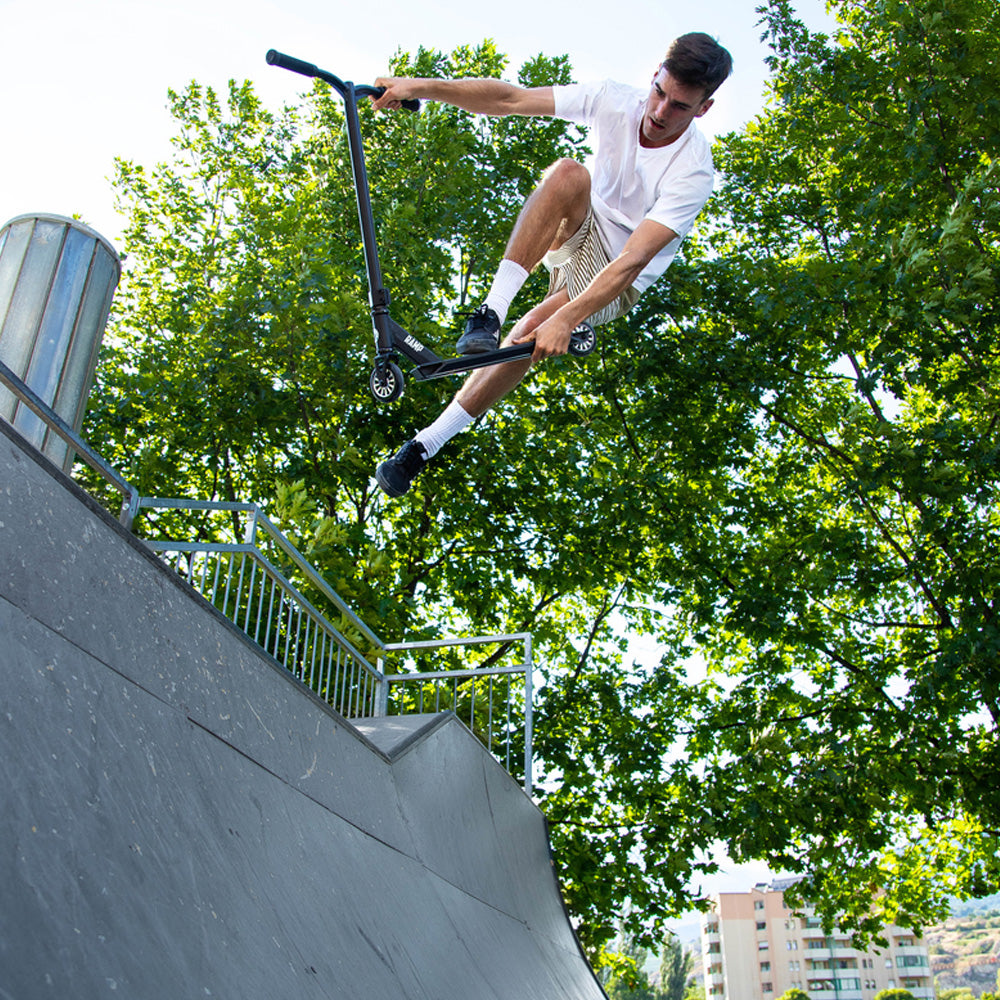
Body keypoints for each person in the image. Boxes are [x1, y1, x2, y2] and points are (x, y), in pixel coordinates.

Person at [371, 32, 733, 497]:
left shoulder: (694, 170)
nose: (660, 113)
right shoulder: (613, 100)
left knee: (537, 324)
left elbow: (634, 259)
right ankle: (488, 314)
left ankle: (422, 447)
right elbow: (510, 98)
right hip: (578, 229)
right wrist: (420, 86)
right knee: (567, 174)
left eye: (680, 107)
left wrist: (568, 317)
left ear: (703, 109)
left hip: (618, 275)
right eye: (659, 93)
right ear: (654, 77)